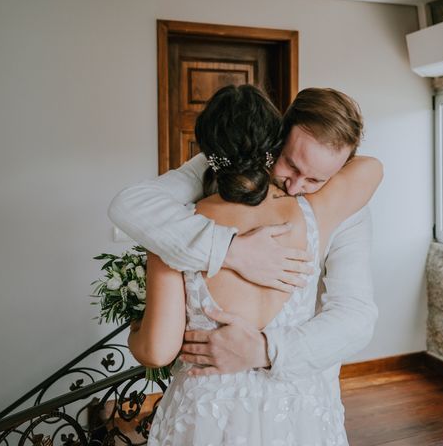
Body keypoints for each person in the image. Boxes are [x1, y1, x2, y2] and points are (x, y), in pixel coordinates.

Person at [127, 84, 381, 444]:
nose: (296, 187)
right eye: (291, 166)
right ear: (275, 139)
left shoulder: (176, 223)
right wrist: (230, 250)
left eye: (316, 179)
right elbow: (374, 170)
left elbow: (355, 317)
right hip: (273, 407)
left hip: (288, 394)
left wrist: (264, 349)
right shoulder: (318, 213)